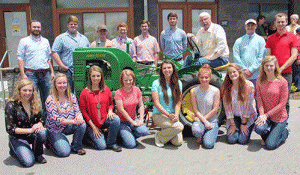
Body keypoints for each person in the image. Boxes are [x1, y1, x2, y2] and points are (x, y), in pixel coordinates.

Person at [79, 66, 122, 152]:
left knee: (115, 119)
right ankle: (86, 138)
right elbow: (84, 112)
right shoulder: (85, 92)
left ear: (101, 77)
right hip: (91, 124)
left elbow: (110, 104)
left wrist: (110, 111)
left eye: (98, 76)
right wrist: (94, 127)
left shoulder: (106, 90)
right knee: (101, 146)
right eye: (93, 76)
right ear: (90, 77)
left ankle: (111, 143)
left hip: (104, 119)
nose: (96, 78)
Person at [5, 79, 47, 167]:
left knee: (43, 132)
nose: (27, 93)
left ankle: (37, 154)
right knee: (28, 162)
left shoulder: (34, 103)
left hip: (32, 135)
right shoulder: (11, 105)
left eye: (30, 90)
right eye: (24, 90)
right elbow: (10, 129)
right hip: (18, 137)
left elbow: (41, 119)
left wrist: (40, 123)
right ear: (19, 91)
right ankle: (14, 149)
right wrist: (30, 130)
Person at [17, 20, 54, 115]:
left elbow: (48, 58)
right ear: (30, 28)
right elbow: (20, 58)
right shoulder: (24, 41)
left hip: (45, 73)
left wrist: (52, 72)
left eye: (38, 27)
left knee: (47, 99)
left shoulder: (45, 41)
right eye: (34, 27)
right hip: (31, 74)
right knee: (30, 98)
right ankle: (31, 121)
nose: (36, 29)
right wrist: (23, 74)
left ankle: (47, 122)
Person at [45, 73, 86, 157]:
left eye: (64, 83)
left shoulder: (71, 96)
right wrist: (73, 121)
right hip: (55, 129)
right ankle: (50, 141)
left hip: (68, 126)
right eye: (59, 83)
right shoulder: (50, 99)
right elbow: (56, 119)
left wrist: (79, 116)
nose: (62, 85)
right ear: (55, 84)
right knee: (64, 153)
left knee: (82, 124)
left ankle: (76, 146)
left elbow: (77, 110)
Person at [265, 13, 298, 112]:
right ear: (275, 23)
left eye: (283, 22)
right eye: (278, 22)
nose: (280, 24)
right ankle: (274, 121)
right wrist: (273, 69)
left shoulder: (292, 37)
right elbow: (268, 56)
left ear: (286, 22)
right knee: (272, 98)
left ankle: (284, 123)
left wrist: (281, 68)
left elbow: (294, 55)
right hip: (272, 73)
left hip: (287, 72)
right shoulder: (270, 38)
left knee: (285, 100)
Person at [255, 56, 289, 150]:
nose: (269, 68)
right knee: (258, 128)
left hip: (279, 117)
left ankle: (284, 132)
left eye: (271, 66)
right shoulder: (259, 79)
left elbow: (282, 104)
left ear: (275, 67)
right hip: (266, 116)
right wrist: (262, 115)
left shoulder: (282, 82)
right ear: (263, 67)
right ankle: (271, 135)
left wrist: (266, 115)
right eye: (266, 65)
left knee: (270, 145)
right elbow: (260, 99)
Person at [220, 63, 257, 144]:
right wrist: (232, 125)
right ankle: (235, 127)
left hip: (247, 117)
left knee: (242, 140)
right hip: (235, 117)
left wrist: (244, 124)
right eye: (230, 73)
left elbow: (248, 107)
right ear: (228, 75)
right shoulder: (226, 88)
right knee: (232, 140)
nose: (232, 74)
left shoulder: (249, 86)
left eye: (234, 72)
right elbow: (227, 108)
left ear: (239, 72)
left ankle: (249, 127)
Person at [52, 15, 90, 93]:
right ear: (67, 25)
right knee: (67, 93)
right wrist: (62, 66)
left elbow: (89, 53)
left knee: (82, 93)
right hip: (67, 71)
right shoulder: (61, 38)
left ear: (78, 25)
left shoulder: (84, 38)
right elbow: (54, 52)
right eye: (71, 24)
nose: (73, 26)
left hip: (82, 71)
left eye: (75, 24)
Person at [151, 60, 184, 148]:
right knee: (179, 127)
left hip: (173, 116)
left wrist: (176, 115)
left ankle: (165, 132)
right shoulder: (156, 83)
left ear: (173, 69)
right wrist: (168, 115)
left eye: (169, 67)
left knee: (178, 142)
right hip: (159, 114)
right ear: (161, 70)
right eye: (164, 68)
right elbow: (156, 103)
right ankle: (159, 136)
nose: (167, 70)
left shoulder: (178, 83)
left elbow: (178, 102)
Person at [115, 69, 149, 148]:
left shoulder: (136, 90)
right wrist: (133, 123)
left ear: (133, 79)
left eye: (130, 80)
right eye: (125, 80)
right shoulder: (118, 92)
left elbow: (141, 105)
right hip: (122, 122)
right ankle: (123, 135)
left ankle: (130, 134)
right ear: (122, 80)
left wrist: (141, 119)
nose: (128, 82)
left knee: (145, 131)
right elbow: (121, 110)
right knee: (131, 145)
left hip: (134, 118)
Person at [191, 64, 220, 149]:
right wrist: (204, 121)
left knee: (208, 145)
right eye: (202, 77)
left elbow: (215, 109)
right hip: (200, 120)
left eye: (206, 77)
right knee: (197, 131)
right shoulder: (193, 91)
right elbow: (195, 110)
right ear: (199, 78)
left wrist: (204, 120)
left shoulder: (216, 90)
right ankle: (200, 134)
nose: (204, 80)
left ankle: (209, 132)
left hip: (211, 120)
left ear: (210, 78)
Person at [233, 19, 266, 87]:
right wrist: (244, 70)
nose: (250, 27)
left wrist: (251, 70)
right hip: (242, 75)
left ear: (256, 26)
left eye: (252, 25)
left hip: (256, 75)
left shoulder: (261, 40)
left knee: (256, 96)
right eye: (248, 25)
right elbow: (236, 56)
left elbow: (261, 57)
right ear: (245, 26)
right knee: (242, 96)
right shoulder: (239, 41)